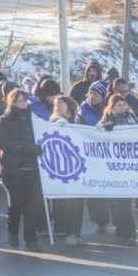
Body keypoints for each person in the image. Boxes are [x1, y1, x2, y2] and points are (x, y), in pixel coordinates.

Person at [0, 89, 44, 252]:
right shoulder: (5, 120)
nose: (24, 104)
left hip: (32, 168)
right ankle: (12, 230)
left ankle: (31, 240)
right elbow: (4, 144)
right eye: (21, 101)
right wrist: (28, 147)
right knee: (16, 202)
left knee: (32, 206)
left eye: (25, 100)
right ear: (13, 103)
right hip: (13, 169)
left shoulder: (33, 119)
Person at [99, 94, 138, 246]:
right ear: (112, 107)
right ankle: (121, 232)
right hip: (113, 168)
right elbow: (95, 134)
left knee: (125, 203)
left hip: (129, 167)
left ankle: (130, 234)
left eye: (124, 105)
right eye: (118, 105)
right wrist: (105, 129)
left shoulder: (133, 118)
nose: (122, 108)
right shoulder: (106, 119)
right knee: (116, 204)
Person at [50, 96, 87, 247]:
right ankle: (69, 234)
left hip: (81, 165)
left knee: (79, 202)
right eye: (55, 104)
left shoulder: (79, 120)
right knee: (70, 203)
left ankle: (77, 234)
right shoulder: (53, 122)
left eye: (60, 103)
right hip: (65, 167)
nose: (57, 106)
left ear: (69, 105)